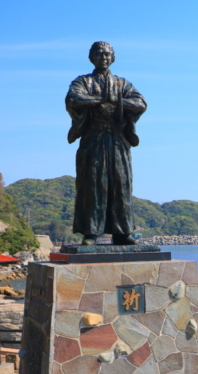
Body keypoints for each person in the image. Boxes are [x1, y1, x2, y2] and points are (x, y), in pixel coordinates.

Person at [65, 42, 147, 245]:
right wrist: (102, 100)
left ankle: (122, 232)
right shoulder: (83, 81)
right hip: (94, 138)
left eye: (108, 54)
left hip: (118, 140)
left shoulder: (122, 83)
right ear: (91, 57)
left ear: (113, 58)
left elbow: (141, 103)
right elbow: (74, 99)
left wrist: (118, 102)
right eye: (99, 54)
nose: (104, 57)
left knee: (121, 184)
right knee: (93, 184)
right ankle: (91, 233)